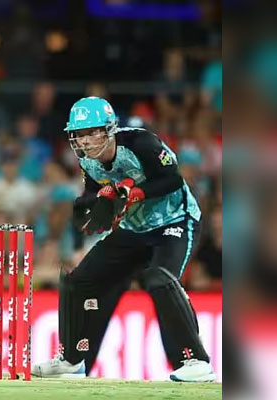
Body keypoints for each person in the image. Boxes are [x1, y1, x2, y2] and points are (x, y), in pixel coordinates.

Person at [32, 97, 215, 382]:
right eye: (80, 135)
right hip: (132, 230)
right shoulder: (87, 161)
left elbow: (171, 180)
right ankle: (71, 359)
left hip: (176, 221)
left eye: (92, 132)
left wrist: (131, 191)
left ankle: (195, 361)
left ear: (109, 129)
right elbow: (92, 195)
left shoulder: (140, 143)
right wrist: (95, 205)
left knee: (160, 277)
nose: (86, 141)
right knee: (78, 281)